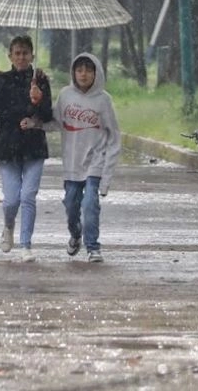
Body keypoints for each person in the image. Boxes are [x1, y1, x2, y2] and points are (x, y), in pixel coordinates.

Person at [0, 35, 52, 262]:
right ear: (10, 56)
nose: (21, 57)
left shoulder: (40, 80)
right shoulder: (1, 79)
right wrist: (25, 110)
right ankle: (8, 225)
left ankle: (26, 244)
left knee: (28, 196)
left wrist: (38, 100)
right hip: (8, 145)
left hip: (34, 146)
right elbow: (0, 109)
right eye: (17, 53)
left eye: (25, 53)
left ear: (32, 55)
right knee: (11, 200)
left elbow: (47, 114)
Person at [52, 52, 121, 263]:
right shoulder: (65, 95)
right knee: (71, 205)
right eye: (79, 70)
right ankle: (75, 234)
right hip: (72, 162)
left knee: (90, 204)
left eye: (88, 70)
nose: (83, 74)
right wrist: (34, 122)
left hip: (95, 161)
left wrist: (106, 177)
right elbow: (55, 121)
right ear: (73, 72)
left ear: (96, 73)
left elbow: (114, 137)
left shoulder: (104, 100)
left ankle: (93, 246)